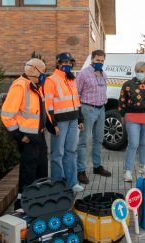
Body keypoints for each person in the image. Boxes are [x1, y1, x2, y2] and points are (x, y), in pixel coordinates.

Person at [1, 58, 48, 210]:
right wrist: (21, 136)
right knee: (28, 175)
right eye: (43, 71)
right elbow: (7, 115)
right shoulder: (20, 86)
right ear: (34, 69)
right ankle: (22, 207)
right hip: (28, 139)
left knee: (41, 173)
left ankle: (38, 203)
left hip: (39, 137)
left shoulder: (36, 86)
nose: (44, 74)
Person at [44, 52, 84, 192]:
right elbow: (48, 104)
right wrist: (53, 124)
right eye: (64, 62)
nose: (67, 65)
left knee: (71, 151)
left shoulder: (72, 79)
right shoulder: (51, 80)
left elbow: (76, 100)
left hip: (73, 120)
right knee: (57, 153)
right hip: (59, 123)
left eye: (69, 63)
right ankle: (57, 184)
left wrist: (80, 118)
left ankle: (72, 183)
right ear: (58, 63)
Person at [118, 61, 145, 182]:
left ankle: (142, 166)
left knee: (144, 143)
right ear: (135, 71)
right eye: (138, 71)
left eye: (142, 71)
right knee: (133, 144)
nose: (140, 73)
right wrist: (122, 115)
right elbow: (122, 100)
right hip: (132, 117)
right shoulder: (128, 84)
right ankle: (128, 171)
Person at [76, 50, 111, 185]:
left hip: (101, 109)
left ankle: (97, 166)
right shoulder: (83, 74)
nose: (99, 63)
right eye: (97, 60)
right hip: (87, 109)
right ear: (92, 59)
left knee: (98, 140)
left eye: (102, 61)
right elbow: (76, 94)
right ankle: (81, 171)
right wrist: (79, 116)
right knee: (84, 141)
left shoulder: (104, 74)